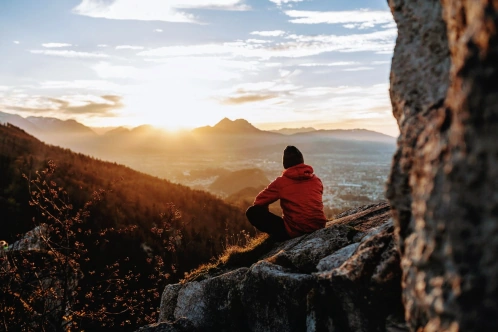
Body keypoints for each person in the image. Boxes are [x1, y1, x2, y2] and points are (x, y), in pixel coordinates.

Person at [246, 145, 327, 241]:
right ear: (302, 161)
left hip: (295, 231)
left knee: (252, 212)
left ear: (285, 164)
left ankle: (277, 238)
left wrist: (266, 213)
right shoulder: (316, 180)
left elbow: (259, 201)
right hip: (318, 226)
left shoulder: (281, 182)